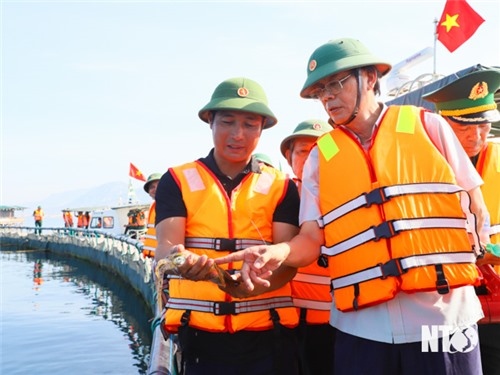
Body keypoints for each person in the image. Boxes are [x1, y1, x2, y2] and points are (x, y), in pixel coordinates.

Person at [216, 38, 490, 374]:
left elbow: (476, 208)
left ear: (371, 78)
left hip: (442, 318)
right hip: (361, 329)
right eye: (319, 91)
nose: (327, 97)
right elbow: (309, 242)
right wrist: (275, 253)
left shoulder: (427, 126)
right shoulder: (320, 157)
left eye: (335, 84)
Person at [154, 77, 301, 374]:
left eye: (250, 124)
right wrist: (180, 261)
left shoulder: (282, 186)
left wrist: (245, 290)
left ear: (262, 130)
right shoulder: (177, 180)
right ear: (210, 122)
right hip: (198, 337)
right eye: (228, 122)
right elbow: (166, 251)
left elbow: (288, 263)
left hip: (268, 336)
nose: (238, 134)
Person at [422, 68, 500, 375]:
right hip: (442, 308)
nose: (476, 135)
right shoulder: (419, 168)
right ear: (442, 125)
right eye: (464, 127)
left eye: (483, 125)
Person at [280, 119, 335, 375]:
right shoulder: (277, 201)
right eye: (303, 151)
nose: (313, 157)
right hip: (289, 321)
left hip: (342, 321)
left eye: (321, 149)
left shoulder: (353, 200)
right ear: (289, 158)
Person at [142, 173, 162, 258]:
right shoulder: (153, 207)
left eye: (159, 185)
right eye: (152, 187)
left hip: (164, 259)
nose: (155, 189)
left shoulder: (171, 205)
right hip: (153, 258)